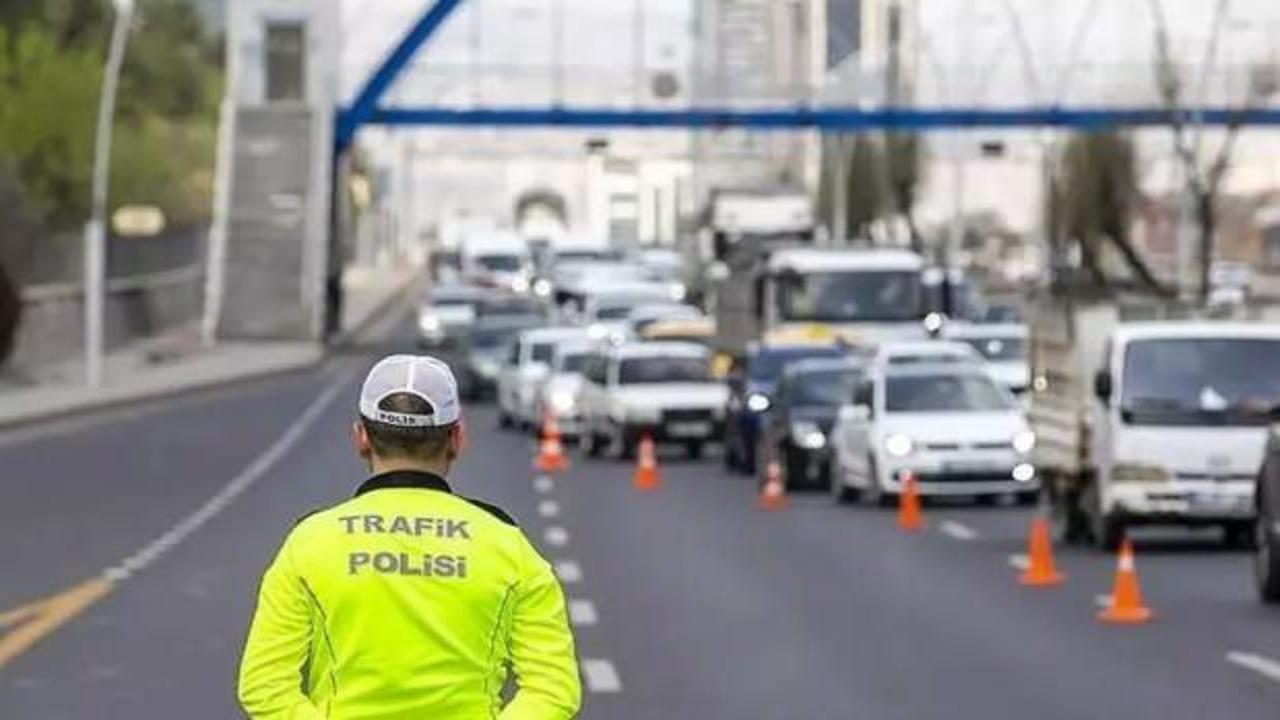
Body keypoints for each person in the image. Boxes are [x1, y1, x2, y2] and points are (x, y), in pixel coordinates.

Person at [238, 355, 582, 719]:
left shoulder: (309, 544)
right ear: (457, 439)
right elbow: (553, 689)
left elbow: (263, 685)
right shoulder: (508, 546)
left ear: (361, 438)